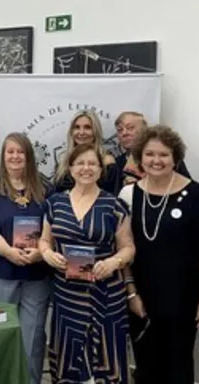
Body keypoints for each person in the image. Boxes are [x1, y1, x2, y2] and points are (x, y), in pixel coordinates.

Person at [117, 125, 199, 383]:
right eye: (150, 154)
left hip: (185, 298)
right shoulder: (128, 194)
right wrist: (131, 294)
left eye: (163, 155)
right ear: (140, 156)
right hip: (142, 299)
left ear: (175, 157)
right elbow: (121, 249)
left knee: (179, 368)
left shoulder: (197, 196)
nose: (156, 161)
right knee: (146, 368)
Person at [38, 143, 135, 383]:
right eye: (80, 163)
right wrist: (48, 254)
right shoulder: (55, 203)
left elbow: (129, 248)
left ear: (101, 170)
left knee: (108, 362)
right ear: (70, 169)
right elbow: (43, 240)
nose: (86, 168)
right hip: (68, 296)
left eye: (92, 163)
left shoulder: (114, 206)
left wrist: (113, 262)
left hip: (105, 295)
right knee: (67, 361)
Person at [0, 133, 51, 384]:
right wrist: (8, 252)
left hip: (36, 274)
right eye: (10, 152)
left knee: (33, 336)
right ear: (3, 156)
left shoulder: (46, 187)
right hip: (2, 272)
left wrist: (41, 251)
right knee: (1, 332)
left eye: (20, 152)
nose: (15, 157)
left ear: (29, 156)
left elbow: (56, 224)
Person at [53, 110, 123, 195]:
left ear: (96, 131)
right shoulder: (63, 161)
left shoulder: (107, 162)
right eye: (77, 127)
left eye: (87, 127)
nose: (81, 132)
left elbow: (112, 198)